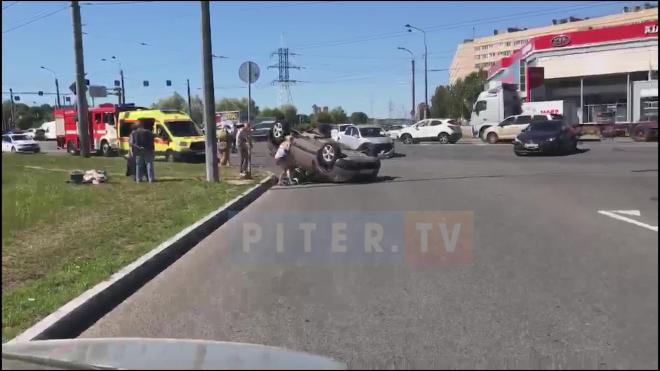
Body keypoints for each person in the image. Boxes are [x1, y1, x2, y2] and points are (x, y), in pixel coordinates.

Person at [132, 119, 156, 183]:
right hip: (148, 150)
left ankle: (138, 179)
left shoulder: (134, 133)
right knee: (149, 164)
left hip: (138, 151)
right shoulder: (149, 132)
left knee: (139, 165)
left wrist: (137, 148)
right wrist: (153, 150)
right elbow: (152, 142)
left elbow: (132, 143)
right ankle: (151, 179)